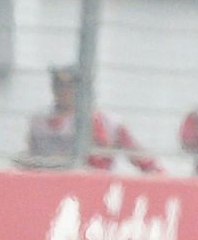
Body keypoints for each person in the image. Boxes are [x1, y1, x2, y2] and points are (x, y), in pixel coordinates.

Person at [20, 65, 163, 174]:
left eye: (70, 86)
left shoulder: (106, 122)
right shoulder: (40, 121)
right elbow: (30, 156)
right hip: (49, 184)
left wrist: (159, 177)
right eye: (58, 85)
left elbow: (140, 157)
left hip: (91, 187)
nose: (63, 91)